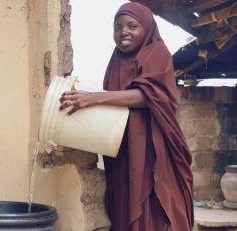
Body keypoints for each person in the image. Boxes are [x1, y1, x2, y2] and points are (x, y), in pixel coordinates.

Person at [59, 2, 193, 231]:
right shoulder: (116, 60)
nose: (124, 33)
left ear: (147, 28)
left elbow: (148, 96)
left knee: (154, 205)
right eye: (117, 27)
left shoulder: (157, 52)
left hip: (152, 148)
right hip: (123, 147)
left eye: (132, 26)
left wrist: (93, 99)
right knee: (124, 201)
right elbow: (115, 100)